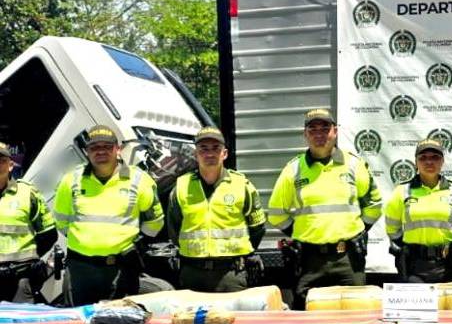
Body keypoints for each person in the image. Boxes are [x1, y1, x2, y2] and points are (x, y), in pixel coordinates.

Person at [267, 108, 382, 302]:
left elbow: (374, 204)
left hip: (347, 259)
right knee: (309, 319)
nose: (319, 134)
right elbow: (276, 213)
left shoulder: (354, 165)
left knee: (356, 314)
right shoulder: (293, 169)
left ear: (335, 131)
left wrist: (359, 231)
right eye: (313, 130)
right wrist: (301, 232)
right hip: (309, 260)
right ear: (305, 135)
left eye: (325, 129)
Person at [53, 125, 164, 305]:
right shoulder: (71, 179)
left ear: (118, 149)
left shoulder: (139, 179)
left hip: (121, 268)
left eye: (107, 146)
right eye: (94, 147)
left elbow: (155, 221)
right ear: (87, 151)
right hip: (80, 270)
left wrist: (135, 244)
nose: (101, 151)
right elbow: (61, 221)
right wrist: (87, 242)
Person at [166, 126, 266, 292]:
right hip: (192, 272)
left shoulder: (241, 185)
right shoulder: (181, 187)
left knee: (235, 318)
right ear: (196, 154)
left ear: (224, 153)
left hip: (231, 273)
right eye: (203, 149)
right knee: (193, 318)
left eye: (215, 148)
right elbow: (174, 228)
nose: (210, 154)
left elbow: (257, 227)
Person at [384, 138, 452, 283]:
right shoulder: (401, 192)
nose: (429, 162)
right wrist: (410, 248)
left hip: (449, 266)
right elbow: (392, 228)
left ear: (442, 161)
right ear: (416, 162)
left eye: (435, 157)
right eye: (423, 158)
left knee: (448, 306)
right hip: (415, 267)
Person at [0, 142, 57, 302]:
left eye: (1, 160)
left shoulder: (27, 193)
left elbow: (49, 234)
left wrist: (27, 263)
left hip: (20, 280)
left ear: (11, 165)